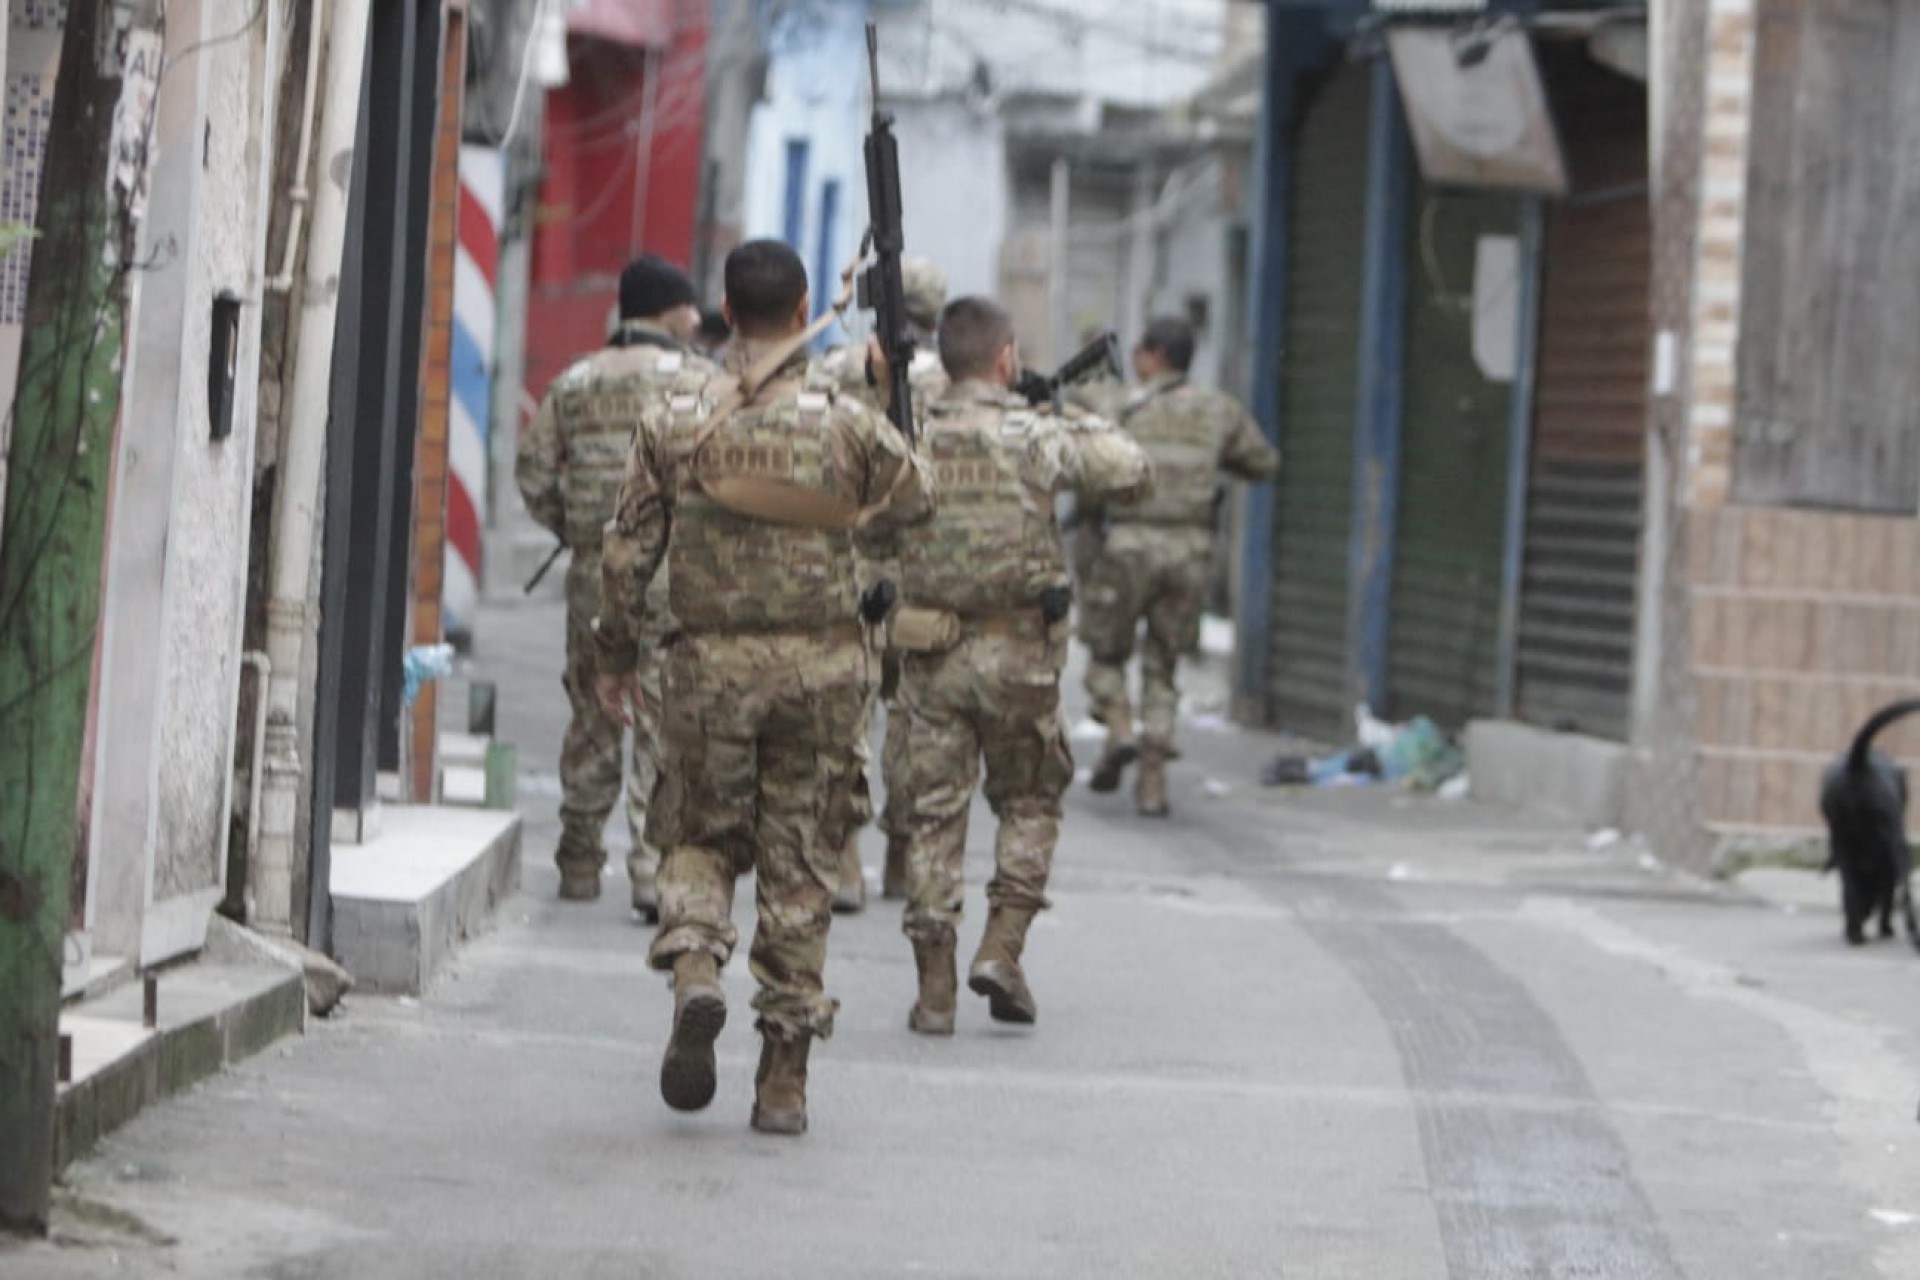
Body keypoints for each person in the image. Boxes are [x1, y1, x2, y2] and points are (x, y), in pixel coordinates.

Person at [595, 240, 935, 1136]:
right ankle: (783, 1079)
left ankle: (698, 967)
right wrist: (890, 397)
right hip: (822, 673)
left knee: (698, 838)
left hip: (706, 668)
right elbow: (918, 501)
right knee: (800, 864)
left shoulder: (674, 414)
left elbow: (626, 551)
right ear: (804, 311)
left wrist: (612, 655)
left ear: (723, 307)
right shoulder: (845, 424)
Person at [886, 296, 1151, 1034]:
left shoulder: (910, 432)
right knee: (1030, 802)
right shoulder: (1036, 435)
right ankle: (1001, 948)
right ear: (1007, 358)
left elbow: (871, 526)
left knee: (933, 817)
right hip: (1020, 657)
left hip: (931, 653)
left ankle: (933, 990)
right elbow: (1133, 471)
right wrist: (1061, 409)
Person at [516, 256, 707, 912]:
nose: (698, 318)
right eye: (689, 307)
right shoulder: (700, 382)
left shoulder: (574, 382)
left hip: (593, 576)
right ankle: (651, 867)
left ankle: (577, 857)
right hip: (672, 578)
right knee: (660, 718)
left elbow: (534, 472)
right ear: (669, 310)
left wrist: (574, 528)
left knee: (594, 712)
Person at [1080, 315, 1280, 817]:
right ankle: (1152, 783)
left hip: (1127, 546)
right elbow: (1262, 462)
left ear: (1154, 356)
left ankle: (1120, 728)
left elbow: (1083, 463)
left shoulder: (1118, 405)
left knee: (1105, 655)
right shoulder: (1219, 409)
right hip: (1191, 552)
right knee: (1163, 665)